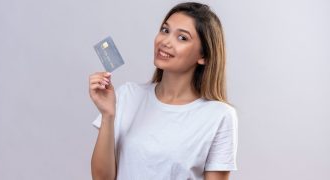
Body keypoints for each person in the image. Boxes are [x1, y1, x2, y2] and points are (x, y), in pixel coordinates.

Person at [89, 2, 238, 180]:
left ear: (203, 56)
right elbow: (101, 178)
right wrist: (107, 115)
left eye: (182, 38)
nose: (165, 41)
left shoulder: (219, 116)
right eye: (165, 30)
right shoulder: (127, 95)